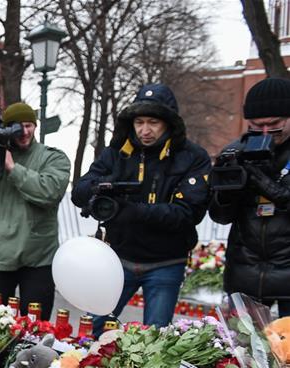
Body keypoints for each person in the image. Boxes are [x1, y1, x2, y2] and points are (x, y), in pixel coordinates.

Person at [73, 83, 211, 334]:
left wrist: (130, 210)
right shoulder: (117, 152)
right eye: (139, 122)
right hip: (118, 260)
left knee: (154, 341)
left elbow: (187, 213)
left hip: (166, 263)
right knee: (89, 329)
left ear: (168, 123)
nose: (144, 131)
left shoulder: (193, 157)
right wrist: (105, 189)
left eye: (153, 122)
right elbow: (79, 191)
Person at [0, 102, 71, 320]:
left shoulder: (53, 158)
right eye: (17, 127)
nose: (24, 132)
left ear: (36, 127)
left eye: (29, 125)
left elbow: (49, 192)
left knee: (35, 329)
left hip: (37, 260)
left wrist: (12, 167)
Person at [209, 78, 290, 317]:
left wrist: (261, 181)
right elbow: (220, 216)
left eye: (274, 124)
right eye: (256, 126)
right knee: (245, 350)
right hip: (246, 272)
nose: (265, 132)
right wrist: (226, 191)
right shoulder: (236, 151)